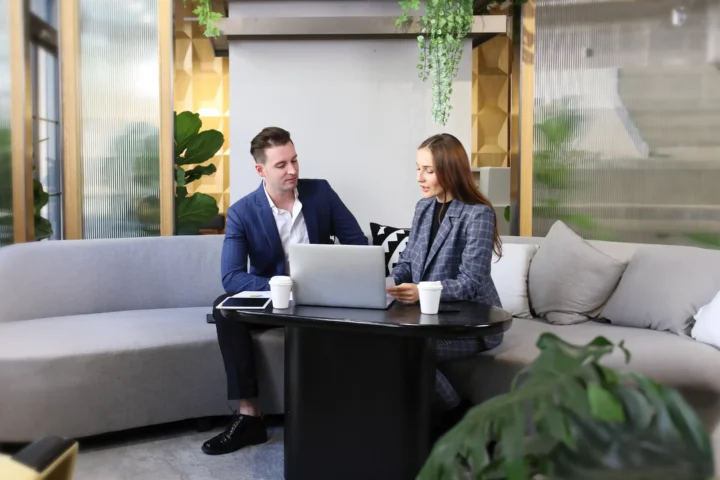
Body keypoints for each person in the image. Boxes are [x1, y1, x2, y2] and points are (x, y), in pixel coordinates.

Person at [202, 126, 368, 455]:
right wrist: (283, 287)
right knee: (224, 308)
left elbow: (359, 246)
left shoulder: (321, 194)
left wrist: (331, 278)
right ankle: (249, 417)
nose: (292, 170)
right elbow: (232, 277)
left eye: (294, 160)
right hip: (276, 301)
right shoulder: (242, 212)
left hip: (323, 300)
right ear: (260, 170)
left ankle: (346, 413)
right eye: (281, 165)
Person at [386, 132, 504, 432]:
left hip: (468, 321)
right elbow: (409, 262)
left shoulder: (478, 214)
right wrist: (389, 282)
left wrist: (420, 290)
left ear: (450, 170)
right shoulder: (423, 208)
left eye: (428, 170)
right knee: (377, 342)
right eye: (417, 168)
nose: (419, 177)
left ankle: (459, 414)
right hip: (428, 317)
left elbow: (470, 282)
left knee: (406, 350)